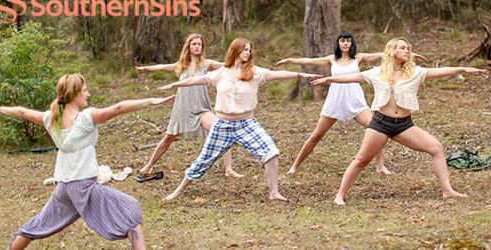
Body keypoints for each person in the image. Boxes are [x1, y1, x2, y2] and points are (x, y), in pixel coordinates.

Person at [0, 73, 176, 249]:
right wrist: (150, 101)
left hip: (64, 186)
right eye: (84, 91)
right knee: (130, 209)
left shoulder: (51, 118)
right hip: (83, 185)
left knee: (40, 224)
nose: (88, 94)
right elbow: (118, 108)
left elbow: (23, 113)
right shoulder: (85, 119)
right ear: (74, 94)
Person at [310, 37, 486, 205]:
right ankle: (339, 196)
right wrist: (328, 79)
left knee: (436, 148)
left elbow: (438, 71)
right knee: (361, 160)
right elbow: (351, 77)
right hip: (380, 123)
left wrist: (462, 70)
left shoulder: (415, 73)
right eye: (402, 47)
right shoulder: (377, 73)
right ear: (391, 51)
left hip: (404, 125)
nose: (406, 50)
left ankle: (447, 190)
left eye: (408, 48)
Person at [159, 37, 322, 201]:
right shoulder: (222, 72)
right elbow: (198, 79)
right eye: (245, 49)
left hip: (246, 123)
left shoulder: (254, 72)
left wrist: (300, 74)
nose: (248, 52)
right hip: (222, 124)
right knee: (202, 161)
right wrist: (175, 85)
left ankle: (274, 192)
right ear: (236, 50)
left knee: (271, 152)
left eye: (249, 50)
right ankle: (178, 191)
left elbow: (276, 74)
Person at [277, 31, 426, 174]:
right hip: (335, 101)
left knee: (376, 129)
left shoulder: (358, 58)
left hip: (355, 101)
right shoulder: (331, 59)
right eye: (342, 40)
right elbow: (309, 60)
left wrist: (409, 55)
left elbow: (384, 54)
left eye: (348, 40)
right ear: (338, 43)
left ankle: (380, 166)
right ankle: (295, 166)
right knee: (316, 135)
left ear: (351, 43)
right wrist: (290, 60)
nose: (345, 43)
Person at [136, 33, 242, 179]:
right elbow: (164, 67)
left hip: (201, 108)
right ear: (189, 47)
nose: (197, 46)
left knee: (221, 130)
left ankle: (229, 169)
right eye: (194, 44)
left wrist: (241, 62)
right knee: (168, 138)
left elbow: (226, 66)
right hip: (182, 108)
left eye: (199, 44)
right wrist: (147, 68)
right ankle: (149, 165)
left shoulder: (207, 64)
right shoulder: (182, 65)